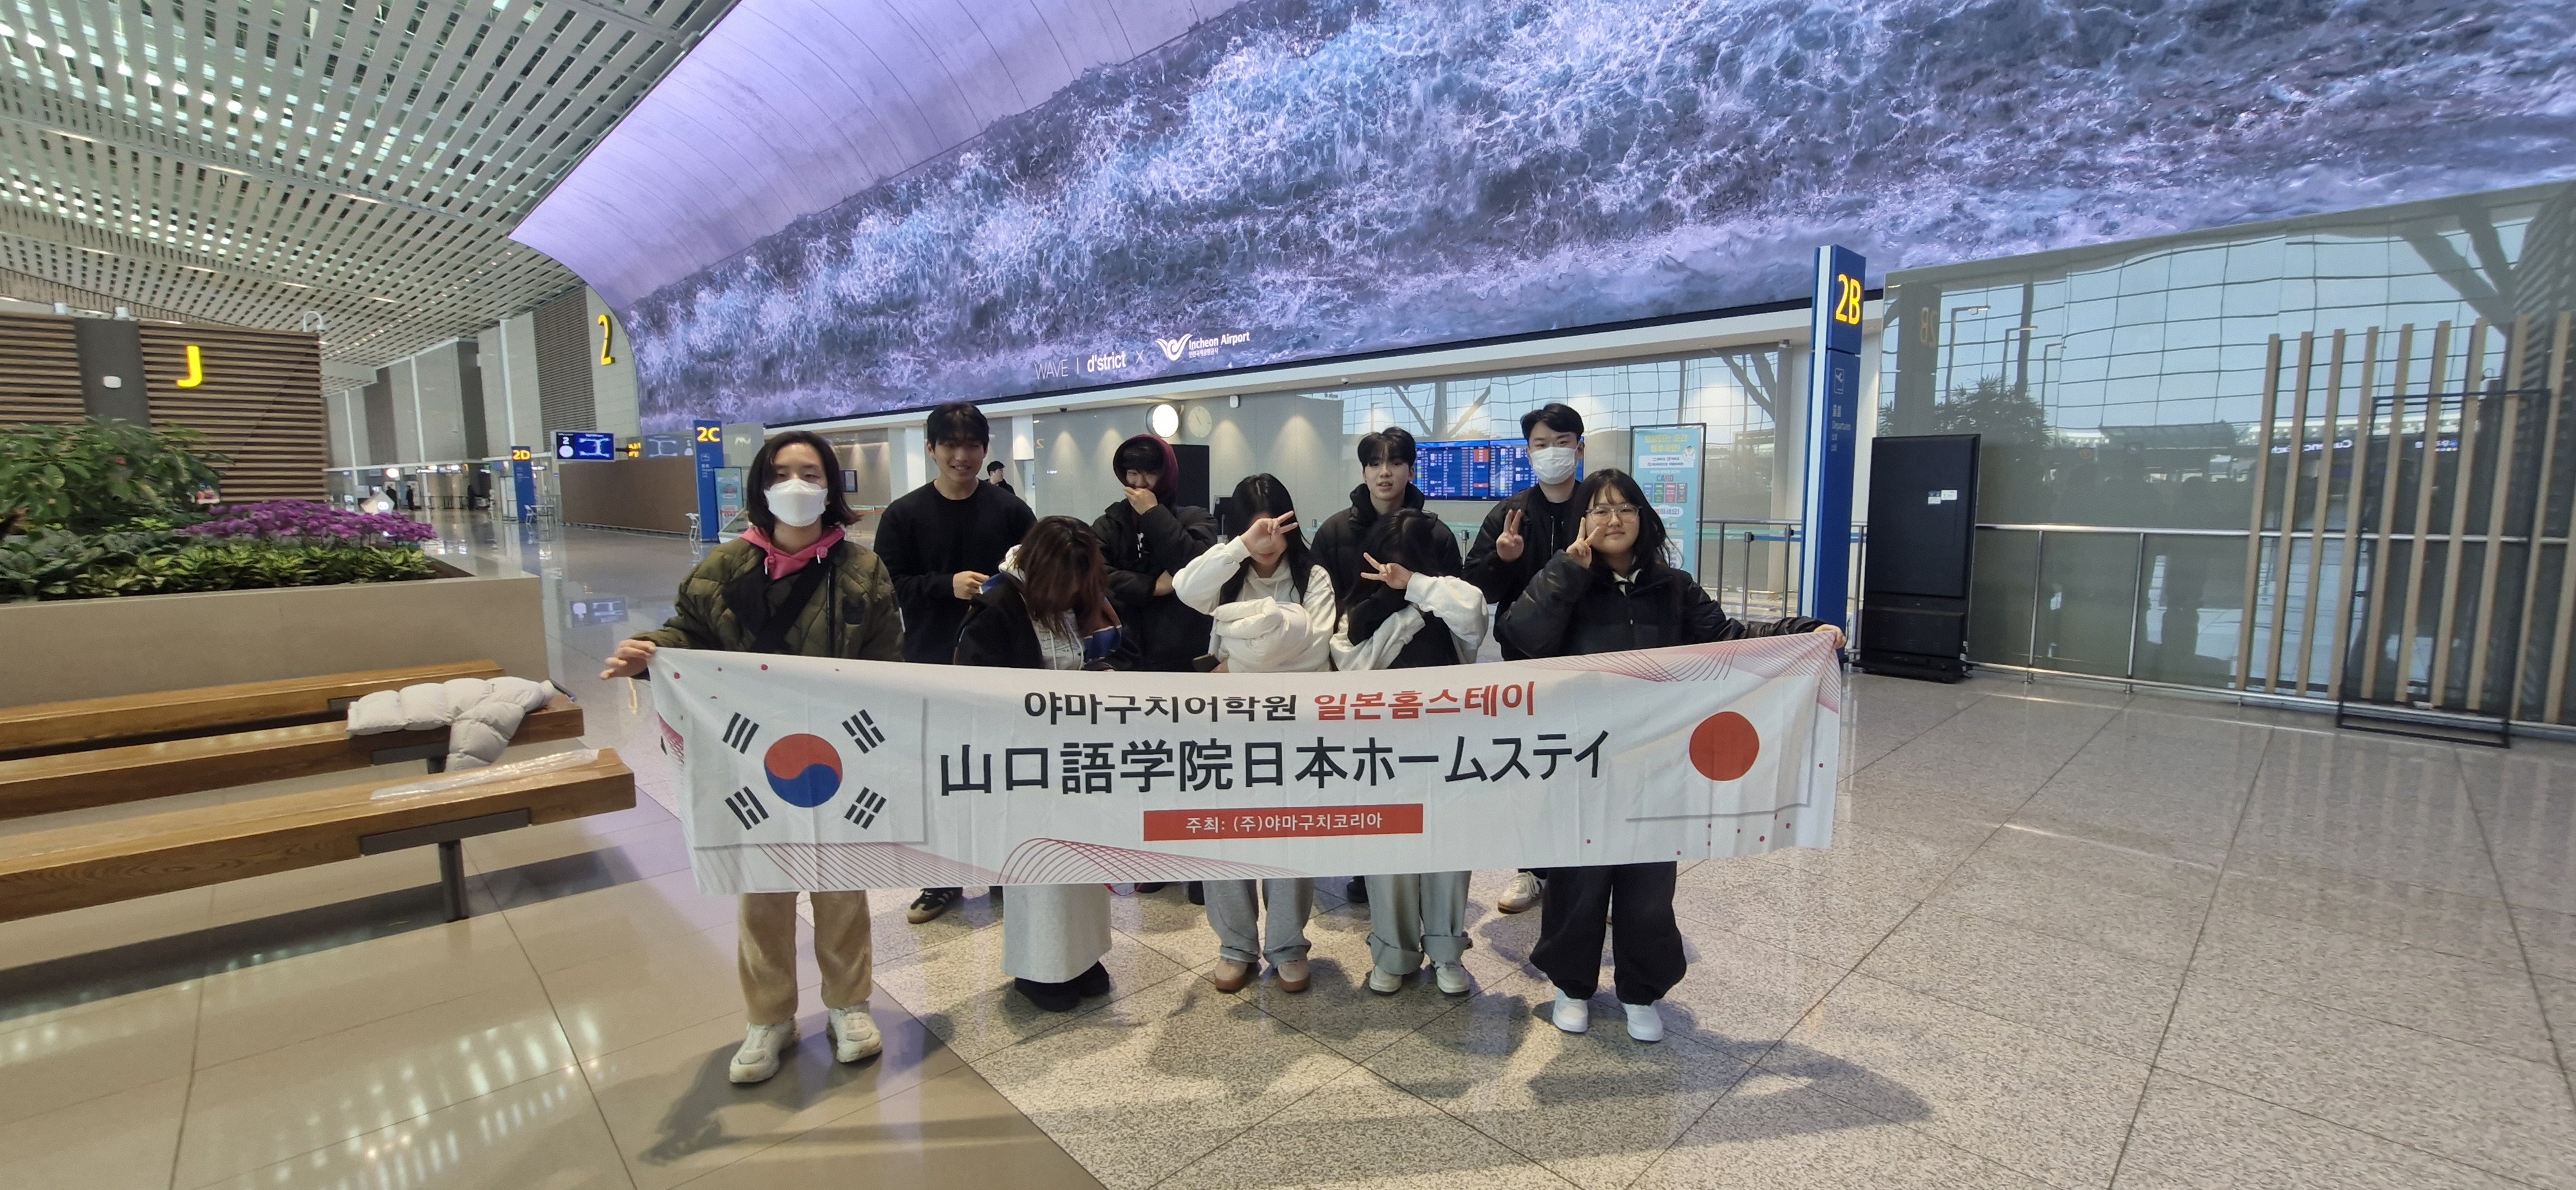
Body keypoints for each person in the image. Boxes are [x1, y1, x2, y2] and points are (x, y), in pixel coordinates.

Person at [1498, 468, 1842, 1043]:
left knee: (1649, 892)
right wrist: (1567, 570)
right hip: (1585, 762)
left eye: (1625, 508)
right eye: (1600, 510)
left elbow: (1728, 637)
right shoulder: (1566, 580)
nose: (1613, 520)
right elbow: (1521, 639)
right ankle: (1572, 988)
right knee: (1578, 885)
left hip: (1658, 766)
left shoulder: (1673, 587)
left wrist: (1803, 631)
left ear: (1644, 517)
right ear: (1582, 522)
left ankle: (1640, 992)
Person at [600, 431, 902, 1084]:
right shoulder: (724, 569)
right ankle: (769, 1018)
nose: (797, 485)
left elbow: (886, 660)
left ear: (831, 486)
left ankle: (849, 1006)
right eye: (782, 472)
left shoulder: (862, 571)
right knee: (762, 887)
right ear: (762, 486)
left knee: (840, 884)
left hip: (836, 752)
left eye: (811, 473)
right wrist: (648, 651)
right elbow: (686, 634)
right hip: (748, 753)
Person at [954, 516, 1127, 1011]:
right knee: (1041, 873)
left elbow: (1109, 650)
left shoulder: (1078, 597)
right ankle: (1041, 970)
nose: (1072, 592)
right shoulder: (996, 606)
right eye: (1065, 583)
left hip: (1077, 757)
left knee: (1083, 865)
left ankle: (1085, 956)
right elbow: (974, 695)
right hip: (1025, 762)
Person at [1171, 475, 1336, 993]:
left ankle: (1288, 944)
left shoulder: (1313, 577)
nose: (1268, 538)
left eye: (1276, 526)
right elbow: (1185, 590)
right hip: (1228, 727)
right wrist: (1240, 546)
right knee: (1225, 831)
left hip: (1293, 728)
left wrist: (1233, 665)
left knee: (1290, 833)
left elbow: (1314, 653)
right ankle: (1235, 944)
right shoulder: (1226, 572)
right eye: (1255, 528)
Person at [875, 402, 1035, 925]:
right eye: (950, 445)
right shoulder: (903, 515)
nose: (962, 456)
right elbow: (887, 586)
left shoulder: (1011, 511)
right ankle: (941, 878)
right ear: (931, 449)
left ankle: (1004, 870)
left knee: (1002, 772)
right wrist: (945, 585)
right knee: (939, 775)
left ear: (985, 450)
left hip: (1002, 665)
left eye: (971, 445)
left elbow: (1038, 576)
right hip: (932, 660)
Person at [1331, 507, 1490, 997]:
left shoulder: (1449, 596)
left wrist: (1416, 587)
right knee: (1390, 852)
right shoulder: (1357, 611)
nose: (1391, 574)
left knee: (1449, 850)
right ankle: (1392, 952)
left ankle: (1447, 951)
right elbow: (1355, 670)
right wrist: (1404, 616)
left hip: (1449, 746)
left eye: (1403, 565)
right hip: (1383, 750)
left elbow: (1474, 617)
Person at [1462, 402, 1589, 915]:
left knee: (1591, 765)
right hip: (1528, 663)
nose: (1552, 452)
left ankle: (1592, 875)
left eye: (1562, 442)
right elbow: (1477, 589)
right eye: (1541, 444)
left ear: (1580, 448)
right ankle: (1531, 869)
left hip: (1591, 661)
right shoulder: (1509, 514)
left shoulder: (1600, 508)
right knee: (1534, 766)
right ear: (1528, 452)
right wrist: (1503, 558)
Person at [1094, 433, 1217, 672]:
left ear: (1166, 474)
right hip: (1120, 653)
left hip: (1183, 652)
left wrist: (1153, 514)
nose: (1140, 483)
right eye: (1133, 473)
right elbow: (1095, 574)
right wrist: (1152, 587)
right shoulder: (1109, 524)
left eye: (1150, 473)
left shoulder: (1196, 518)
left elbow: (1197, 566)